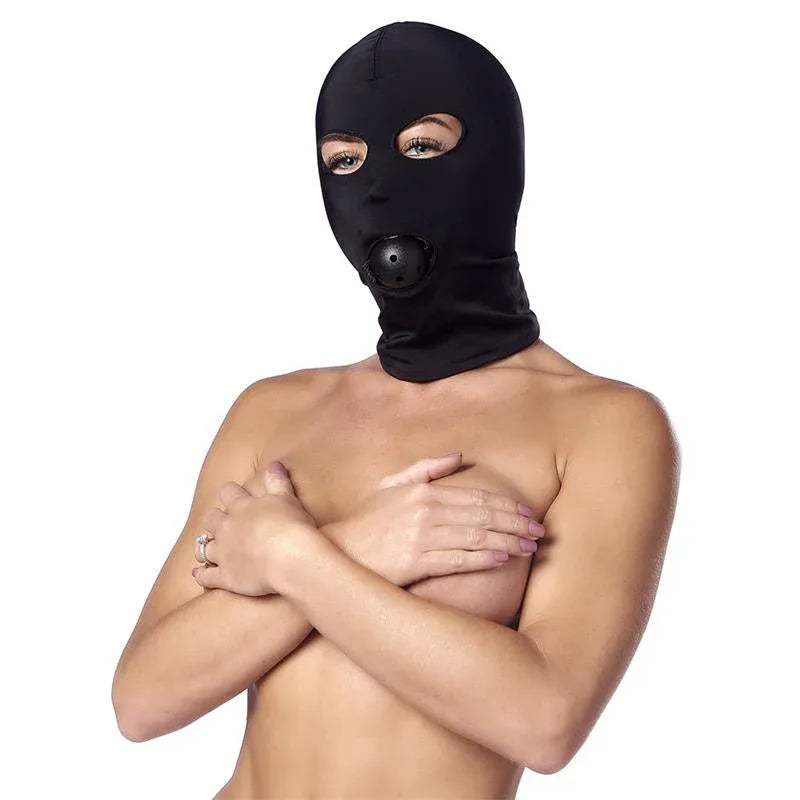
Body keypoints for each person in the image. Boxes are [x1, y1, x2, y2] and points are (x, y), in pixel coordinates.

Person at [112, 21, 680, 799]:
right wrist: (363, 546)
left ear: (494, 160)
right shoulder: (273, 410)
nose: (376, 186)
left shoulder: (602, 425)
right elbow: (142, 701)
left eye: (421, 146)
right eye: (344, 160)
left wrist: (295, 558)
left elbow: (545, 721)